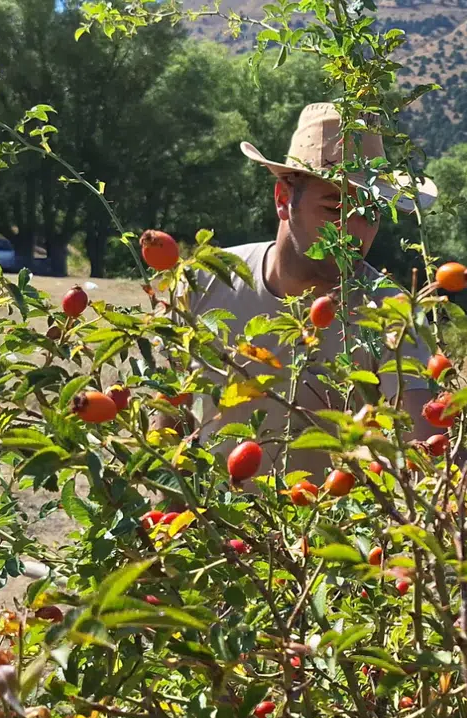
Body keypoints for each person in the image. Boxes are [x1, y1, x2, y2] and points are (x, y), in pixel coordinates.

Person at [172, 102, 444, 477]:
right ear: (284, 200)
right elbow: (169, 415)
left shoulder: (391, 310)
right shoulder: (204, 280)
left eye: (371, 214)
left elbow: (428, 440)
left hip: (320, 531)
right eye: (335, 208)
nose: (355, 232)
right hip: (212, 527)